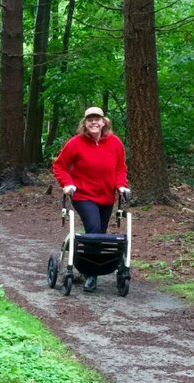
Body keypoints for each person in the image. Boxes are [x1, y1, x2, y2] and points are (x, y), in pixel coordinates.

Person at [52, 106, 129, 292]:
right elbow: (59, 166)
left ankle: (90, 264)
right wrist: (67, 184)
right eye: (90, 119)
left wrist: (121, 185)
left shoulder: (115, 143)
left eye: (97, 119)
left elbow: (120, 168)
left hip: (106, 196)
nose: (94, 122)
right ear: (85, 123)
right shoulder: (75, 143)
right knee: (93, 229)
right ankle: (91, 275)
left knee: (99, 235)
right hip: (83, 195)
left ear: (104, 122)